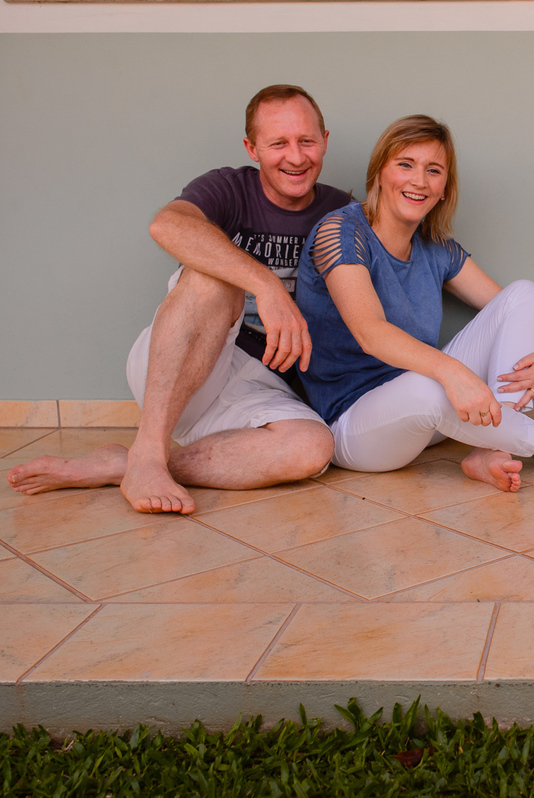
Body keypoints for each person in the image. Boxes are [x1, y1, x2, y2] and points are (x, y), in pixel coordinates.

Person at [7, 85, 352, 514]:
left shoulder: (342, 210)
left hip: (258, 387)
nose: (296, 157)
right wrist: (264, 285)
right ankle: (149, 449)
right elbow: (166, 226)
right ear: (252, 148)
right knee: (213, 280)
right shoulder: (227, 187)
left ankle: (128, 464)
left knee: (311, 448)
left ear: (325, 141)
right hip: (182, 360)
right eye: (278, 143)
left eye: (307, 141)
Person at [295, 115, 534, 492]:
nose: (419, 181)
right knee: (427, 388)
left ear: (444, 188)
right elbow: (370, 332)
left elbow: (510, 305)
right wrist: (454, 374)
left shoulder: (435, 247)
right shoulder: (341, 230)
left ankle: (493, 448)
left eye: (433, 170)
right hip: (359, 429)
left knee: (528, 292)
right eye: (405, 164)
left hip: (433, 418)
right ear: (379, 173)